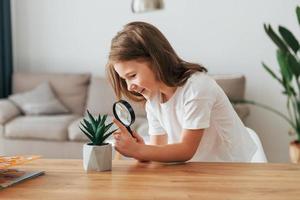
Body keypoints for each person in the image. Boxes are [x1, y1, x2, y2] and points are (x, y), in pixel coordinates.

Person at [106, 21, 257, 162]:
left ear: (156, 60)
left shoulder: (197, 87)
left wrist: (139, 150)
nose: (129, 86)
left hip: (231, 169)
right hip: (196, 171)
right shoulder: (153, 100)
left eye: (132, 76)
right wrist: (142, 151)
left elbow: (186, 150)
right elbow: (159, 151)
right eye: (125, 79)